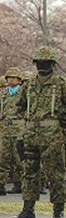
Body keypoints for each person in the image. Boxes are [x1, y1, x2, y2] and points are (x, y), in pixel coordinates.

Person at [12, 46, 66, 218]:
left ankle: (58, 212)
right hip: (31, 135)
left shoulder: (61, 84)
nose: (42, 65)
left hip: (53, 137)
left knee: (56, 173)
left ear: (52, 64)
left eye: (46, 62)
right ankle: (28, 210)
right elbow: (19, 106)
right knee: (29, 172)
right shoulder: (29, 85)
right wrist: (25, 127)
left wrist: (59, 123)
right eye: (39, 62)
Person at [0, 67, 24, 195]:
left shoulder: (23, 93)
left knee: (18, 157)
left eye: (14, 78)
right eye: (9, 77)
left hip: (19, 127)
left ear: (19, 80)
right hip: (5, 128)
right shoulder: (3, 94)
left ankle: (18, 183)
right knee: (3, 156)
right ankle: (1, 184)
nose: (11, 80)